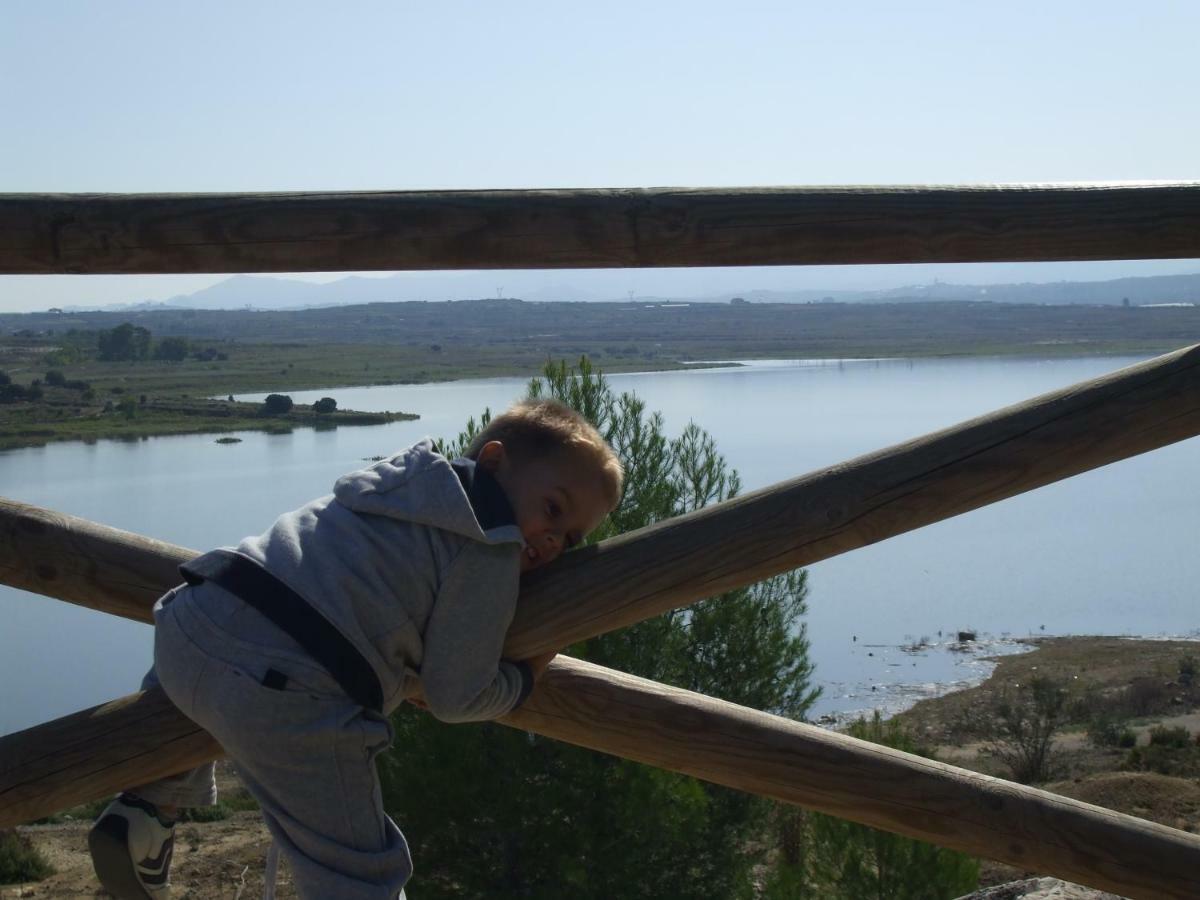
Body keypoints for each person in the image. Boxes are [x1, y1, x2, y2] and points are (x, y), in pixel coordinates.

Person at [88, 399, 623, 900]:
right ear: (494, 461)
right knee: (359, 872)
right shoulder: (490, 546)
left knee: (217, 685)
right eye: (553, 509)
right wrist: (525, 677)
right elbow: (457, 696)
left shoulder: (399, 481)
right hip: (289, 691)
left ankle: (145, 814)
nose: (552, 540)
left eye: (571, 540)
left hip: (194, 615)